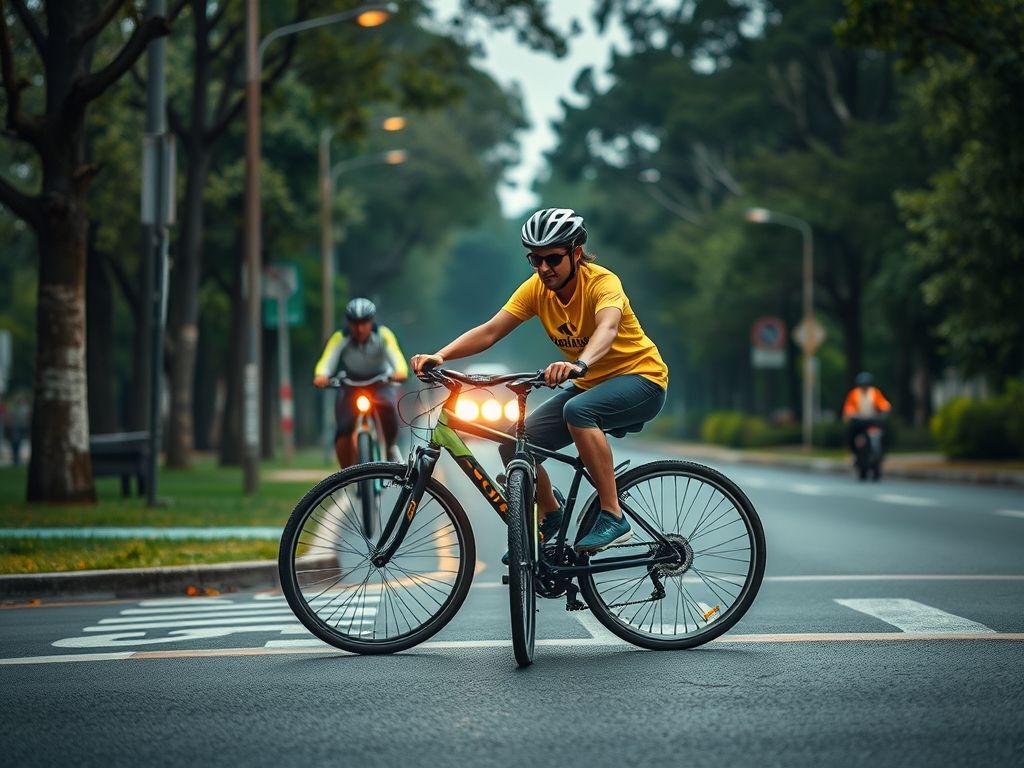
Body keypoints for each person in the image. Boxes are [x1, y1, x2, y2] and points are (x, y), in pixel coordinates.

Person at [411, 207, 668, 555]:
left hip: (641, 380)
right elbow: (490, 331)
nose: (544, 268)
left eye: (552, 258)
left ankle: (613, 515)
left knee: (579, 411)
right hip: (590, 385)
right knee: (512, 444)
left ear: (576, 253)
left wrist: (580, 364)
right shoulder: (536, 290)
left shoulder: (602, 283)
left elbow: (607, 328)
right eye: (535, 260)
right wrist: (441, 356)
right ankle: (551, 514)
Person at [314, 298, 408, 468]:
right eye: (354, 323)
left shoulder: (383, 335)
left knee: (388, 411)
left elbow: (396, 356)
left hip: (380, 381)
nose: (359, 328)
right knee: (343, 428)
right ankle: (345, 472)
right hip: (351, 383)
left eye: (364, 323)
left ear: (371, 321)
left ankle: (390, 447)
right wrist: (321, 375)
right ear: (348, 323)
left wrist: (400, 372)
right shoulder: (340, 337)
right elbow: (327, 360)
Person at [842, 371, 892, 455]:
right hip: (859, 420)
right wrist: (850, 412)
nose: (864, 387)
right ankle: (853, 450)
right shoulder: (854, 393)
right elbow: (849, 406)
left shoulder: (875, 392)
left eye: (866, 384)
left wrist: (885, 407)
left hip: (872, 419)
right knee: (851, 432)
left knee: (883, 431)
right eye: (862, 384)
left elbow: (882, 403)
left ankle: (882, 449)